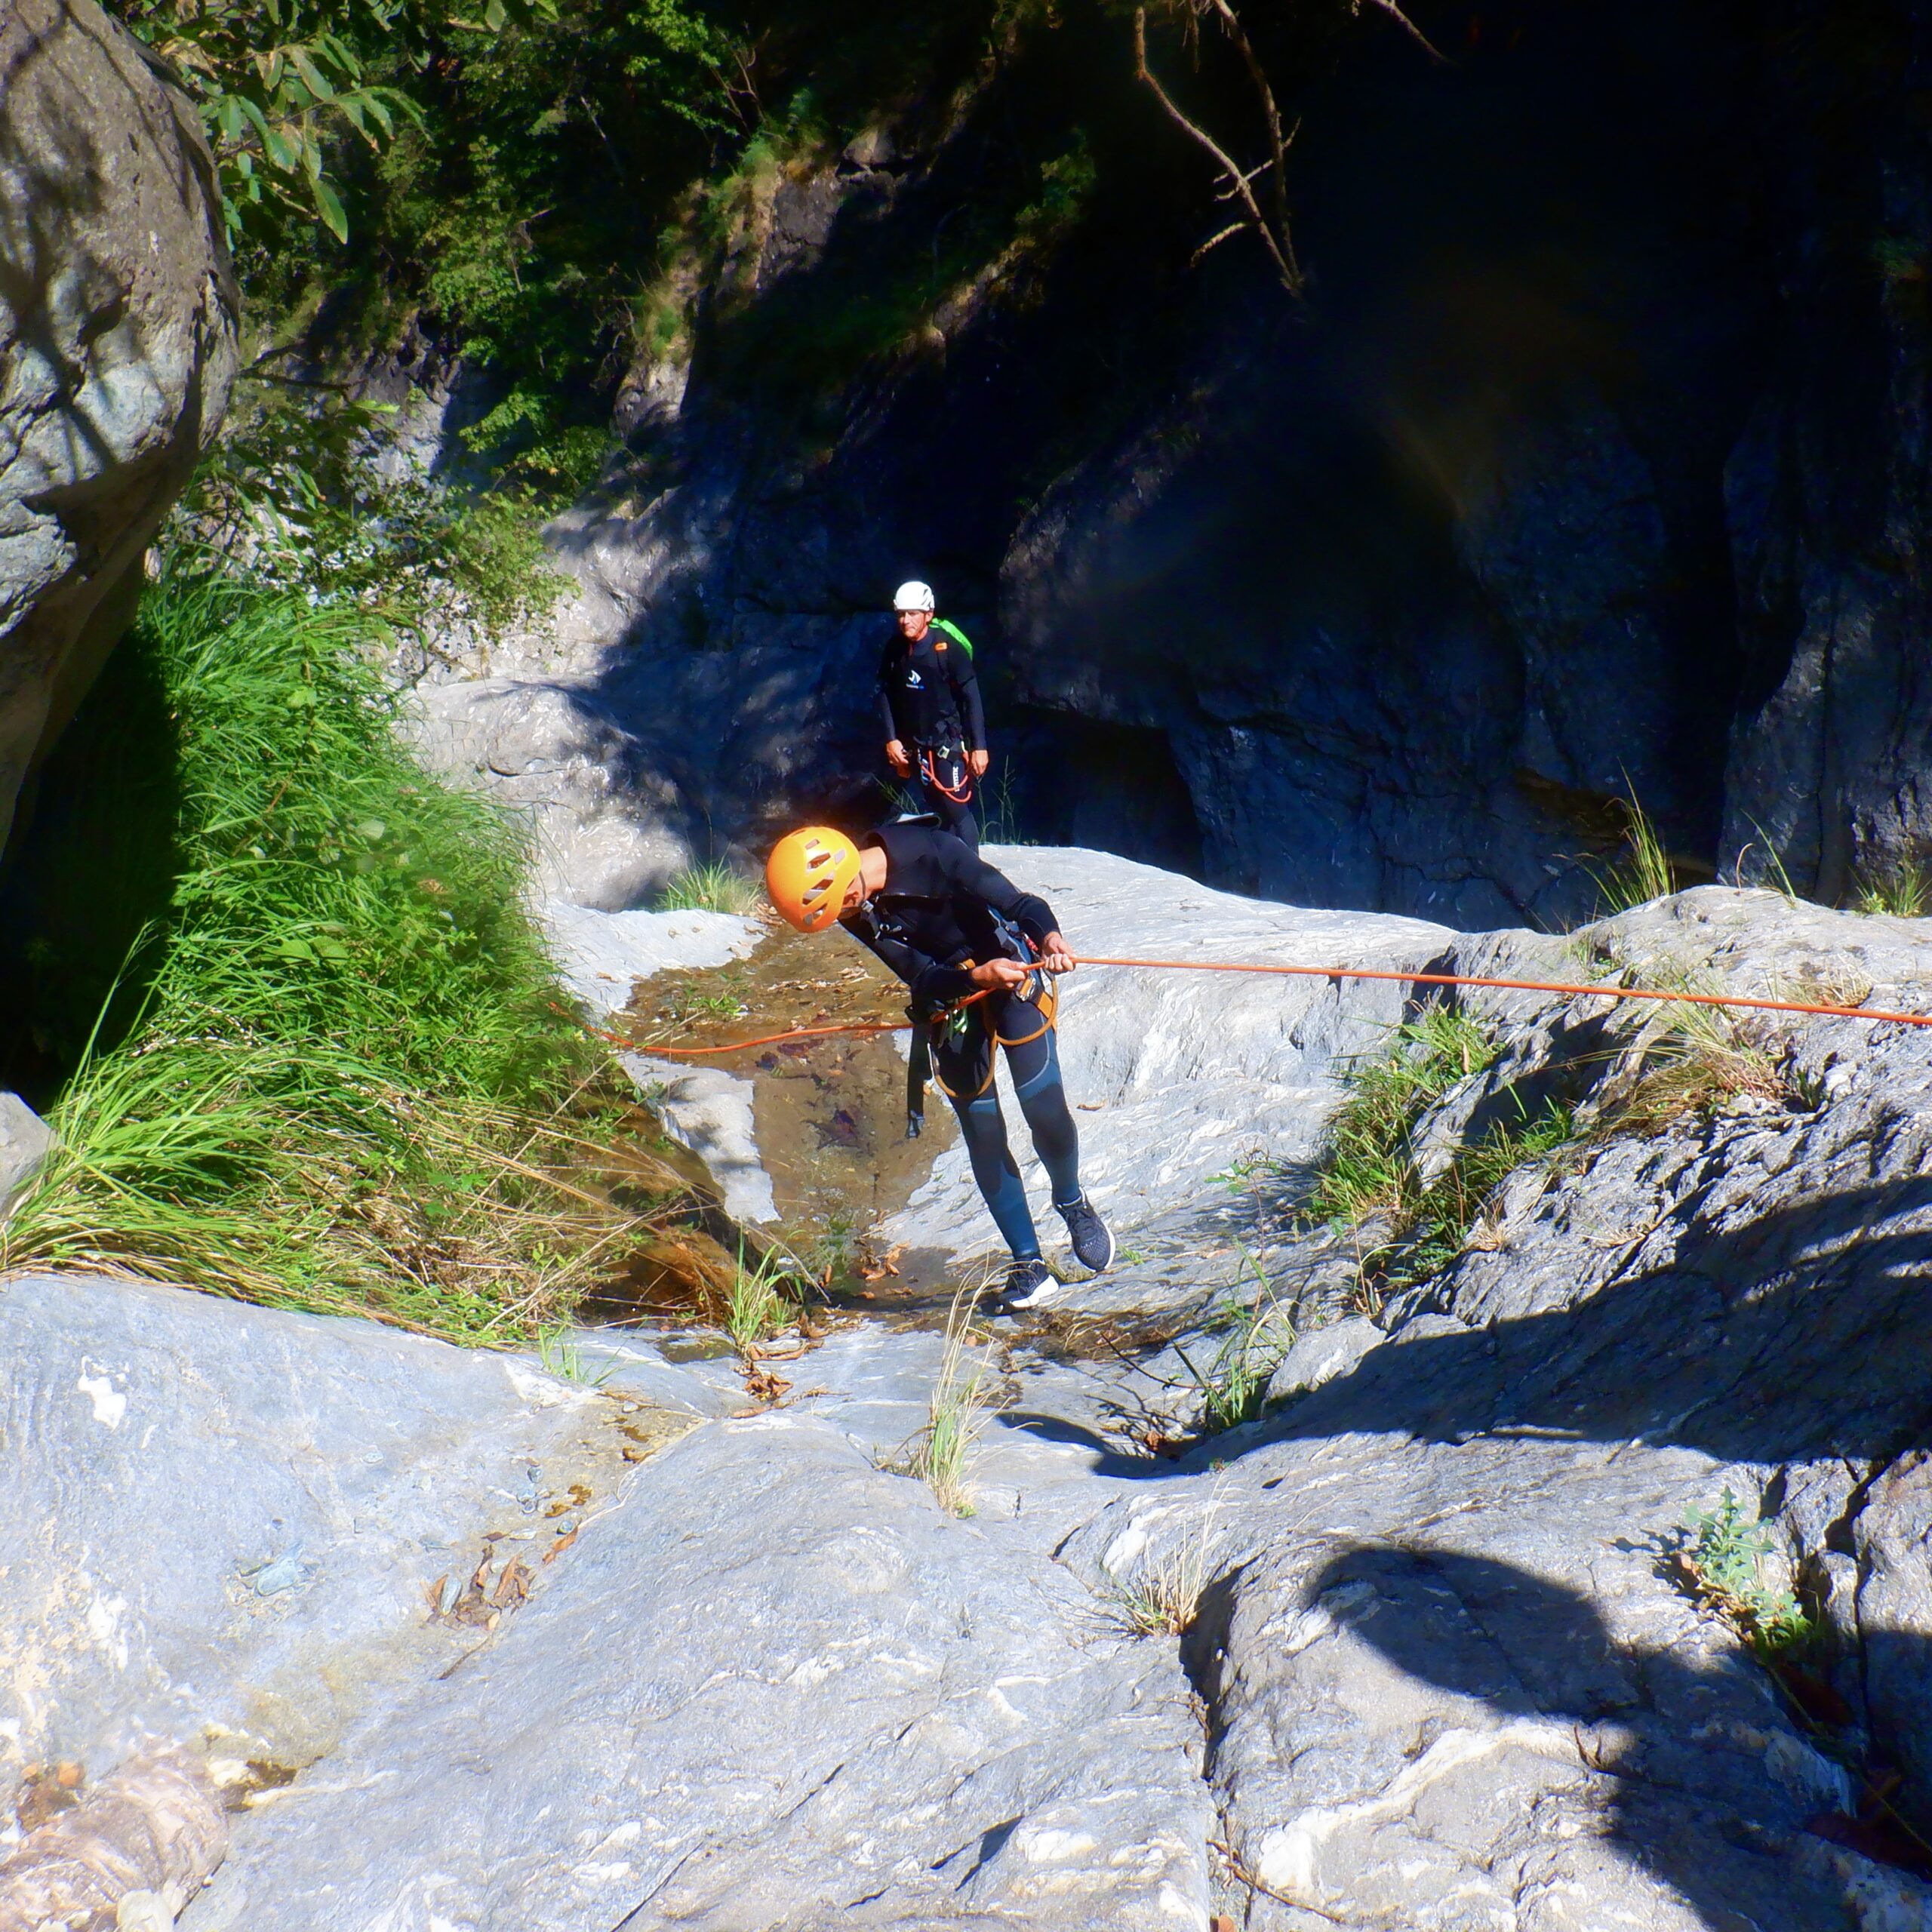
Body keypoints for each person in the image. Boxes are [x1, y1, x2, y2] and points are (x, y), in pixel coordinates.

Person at [765, 821, 1114, 1310]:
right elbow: (920, 976)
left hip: (1010, 970)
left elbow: (1020, 905)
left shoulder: (930, 850)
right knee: (983, 1131)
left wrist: (1050, 939)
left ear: (847, 872)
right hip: (953, 1000)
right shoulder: (851, 905)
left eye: (844, 902)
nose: (847, 913)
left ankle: (1071, 1200)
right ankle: (1029, 1264)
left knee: (1042, 1106)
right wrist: (973, 978)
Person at [878, 579, 988, 849]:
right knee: (937, 805)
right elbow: (884, 694)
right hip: (918, 746)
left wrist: (980, 747)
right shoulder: (896, 650)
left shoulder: (947, 648)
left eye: (913, 614)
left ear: (929, 615)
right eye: (901, 614)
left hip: (946, 744)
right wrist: (892, 740)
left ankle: (973, 871)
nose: (906, 621)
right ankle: (953, 868)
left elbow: (971, 697)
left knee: (956, 808)